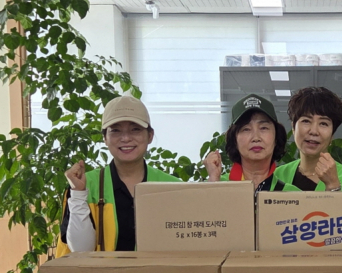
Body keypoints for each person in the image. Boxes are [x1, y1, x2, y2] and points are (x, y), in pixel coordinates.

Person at [60, 94, 179, 254]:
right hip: (100, 272)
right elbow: (80, 251)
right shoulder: (85, 184)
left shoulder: (173, 187)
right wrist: (78, 194)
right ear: (105, 138)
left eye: (135, 129)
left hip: (156, 271)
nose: (126, 138)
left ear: (150, 136)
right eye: (115, 131)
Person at [277, 86, 342, 192]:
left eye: (323, 123)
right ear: (293, 128)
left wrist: (333, 186)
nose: (314, 131)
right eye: (306, 121)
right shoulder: (277, 176)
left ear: (332, 134)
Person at [204, 93, 289, 192]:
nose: (256, 138)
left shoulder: (292, 193)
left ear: (276, 137)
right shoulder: (216, 184)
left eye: (264, 128)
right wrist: (213, 183)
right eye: (246, 129)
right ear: (234, 140)